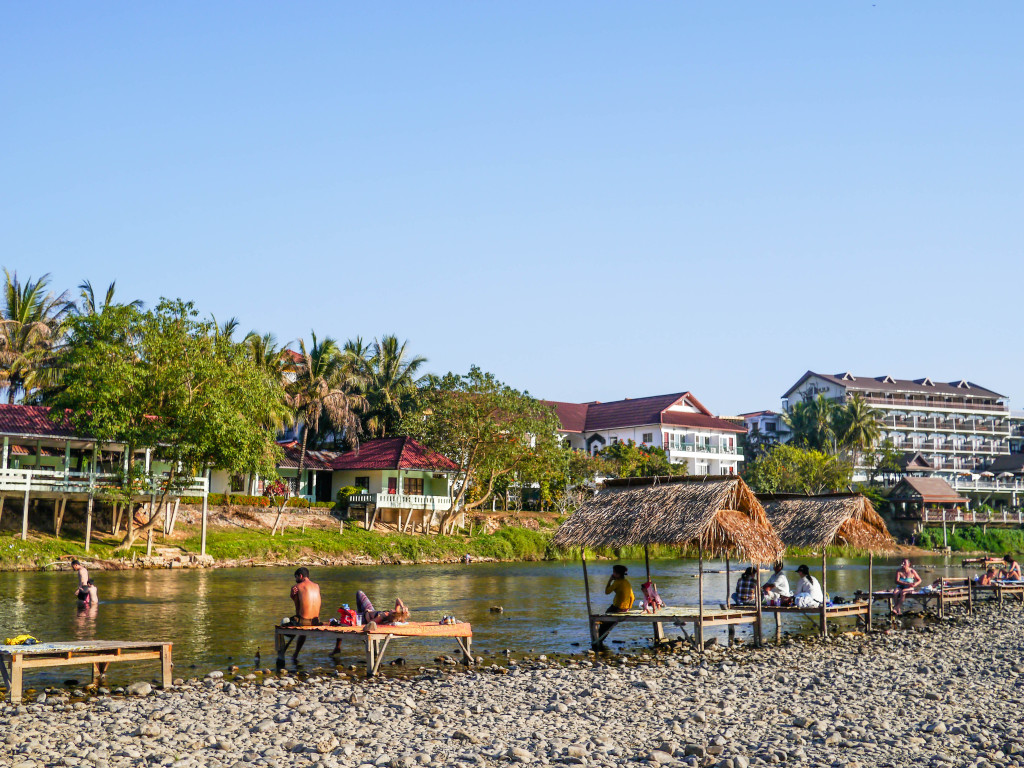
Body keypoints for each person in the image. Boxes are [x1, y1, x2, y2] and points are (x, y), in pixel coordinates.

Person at [333, 591, 410, 653]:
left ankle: (337, 648)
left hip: (364, 617)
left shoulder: (381, 616)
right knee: (359, 593)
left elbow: (370, 623)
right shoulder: (393, 614)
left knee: (342, 622)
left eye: (392, 610)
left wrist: (367, 613)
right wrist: (402, 606)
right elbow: (397, 600)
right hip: (371, 611)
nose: (392, 609)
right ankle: (359, 612)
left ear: (392, 614)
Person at [595, 565, 633, 648]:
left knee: (603, 621)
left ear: (618, 574)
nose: (612, 574)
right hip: (625, 609)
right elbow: (632, 597)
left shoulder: (617, 582)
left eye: (614, 573)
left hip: (617, 608)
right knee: (606, 622)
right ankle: (600, 639)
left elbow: (607, 591)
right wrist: (628, 608)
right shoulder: (627, 582)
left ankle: (598, 641)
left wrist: (610, 580)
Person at [288, 567, 322, 659]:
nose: (296, 580)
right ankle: (295, 654)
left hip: (304, 622)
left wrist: (293, 597)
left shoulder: (297, 587)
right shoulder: (317, 586)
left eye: (296, 577)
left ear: (300, 576)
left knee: (285, 622)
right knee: (303, 630)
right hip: (316, 621)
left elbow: (297, 609)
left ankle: (286, 652)